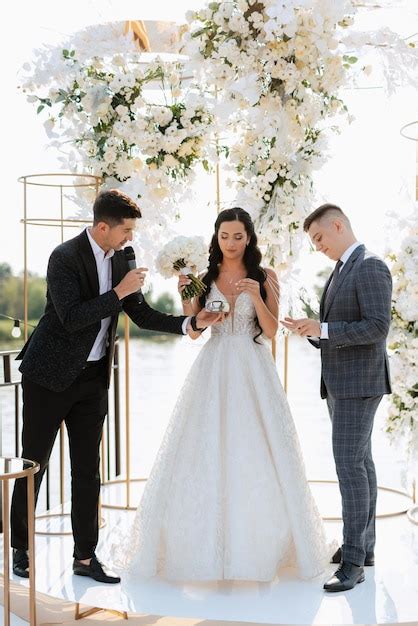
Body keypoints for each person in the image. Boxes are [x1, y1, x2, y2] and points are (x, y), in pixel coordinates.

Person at [11, 189, 221, 583]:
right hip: (48, 377)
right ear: (102, 227)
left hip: (93, 380)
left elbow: (138, 312)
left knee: (88, 469)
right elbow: (72, 317)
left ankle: (85, 558)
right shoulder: (64, 257)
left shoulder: (124, 257)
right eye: (125, 230)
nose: (130, 238)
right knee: (33, 464)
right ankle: (20, 548)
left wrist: (189, 323)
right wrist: (118, 293)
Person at [114, 207, 335, 582]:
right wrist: (187, 299)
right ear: (215, 238)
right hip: (214, 366)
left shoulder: (265, 276)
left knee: (256, 450)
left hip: (253, 368)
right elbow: (196, 331)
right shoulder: (205, 277)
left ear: (249, 238)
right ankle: (204, 549)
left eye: (238, 236)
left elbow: (270, 332)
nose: (230, 243)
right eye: (224, 236)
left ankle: (262, 548)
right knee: (206, 450)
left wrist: (258, 297)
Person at [282, 203, 392, 592]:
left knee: (349, 468)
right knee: (361, 463)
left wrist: (325, 329)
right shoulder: (342, 268)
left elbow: (378, 328)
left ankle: (353, 562)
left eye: (319, 238)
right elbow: (340, 326)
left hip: (359, 384)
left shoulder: (370, 265)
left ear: (338, 225)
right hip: (343, 383)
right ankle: (366, 548)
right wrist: (312, 330)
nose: (318, 247)